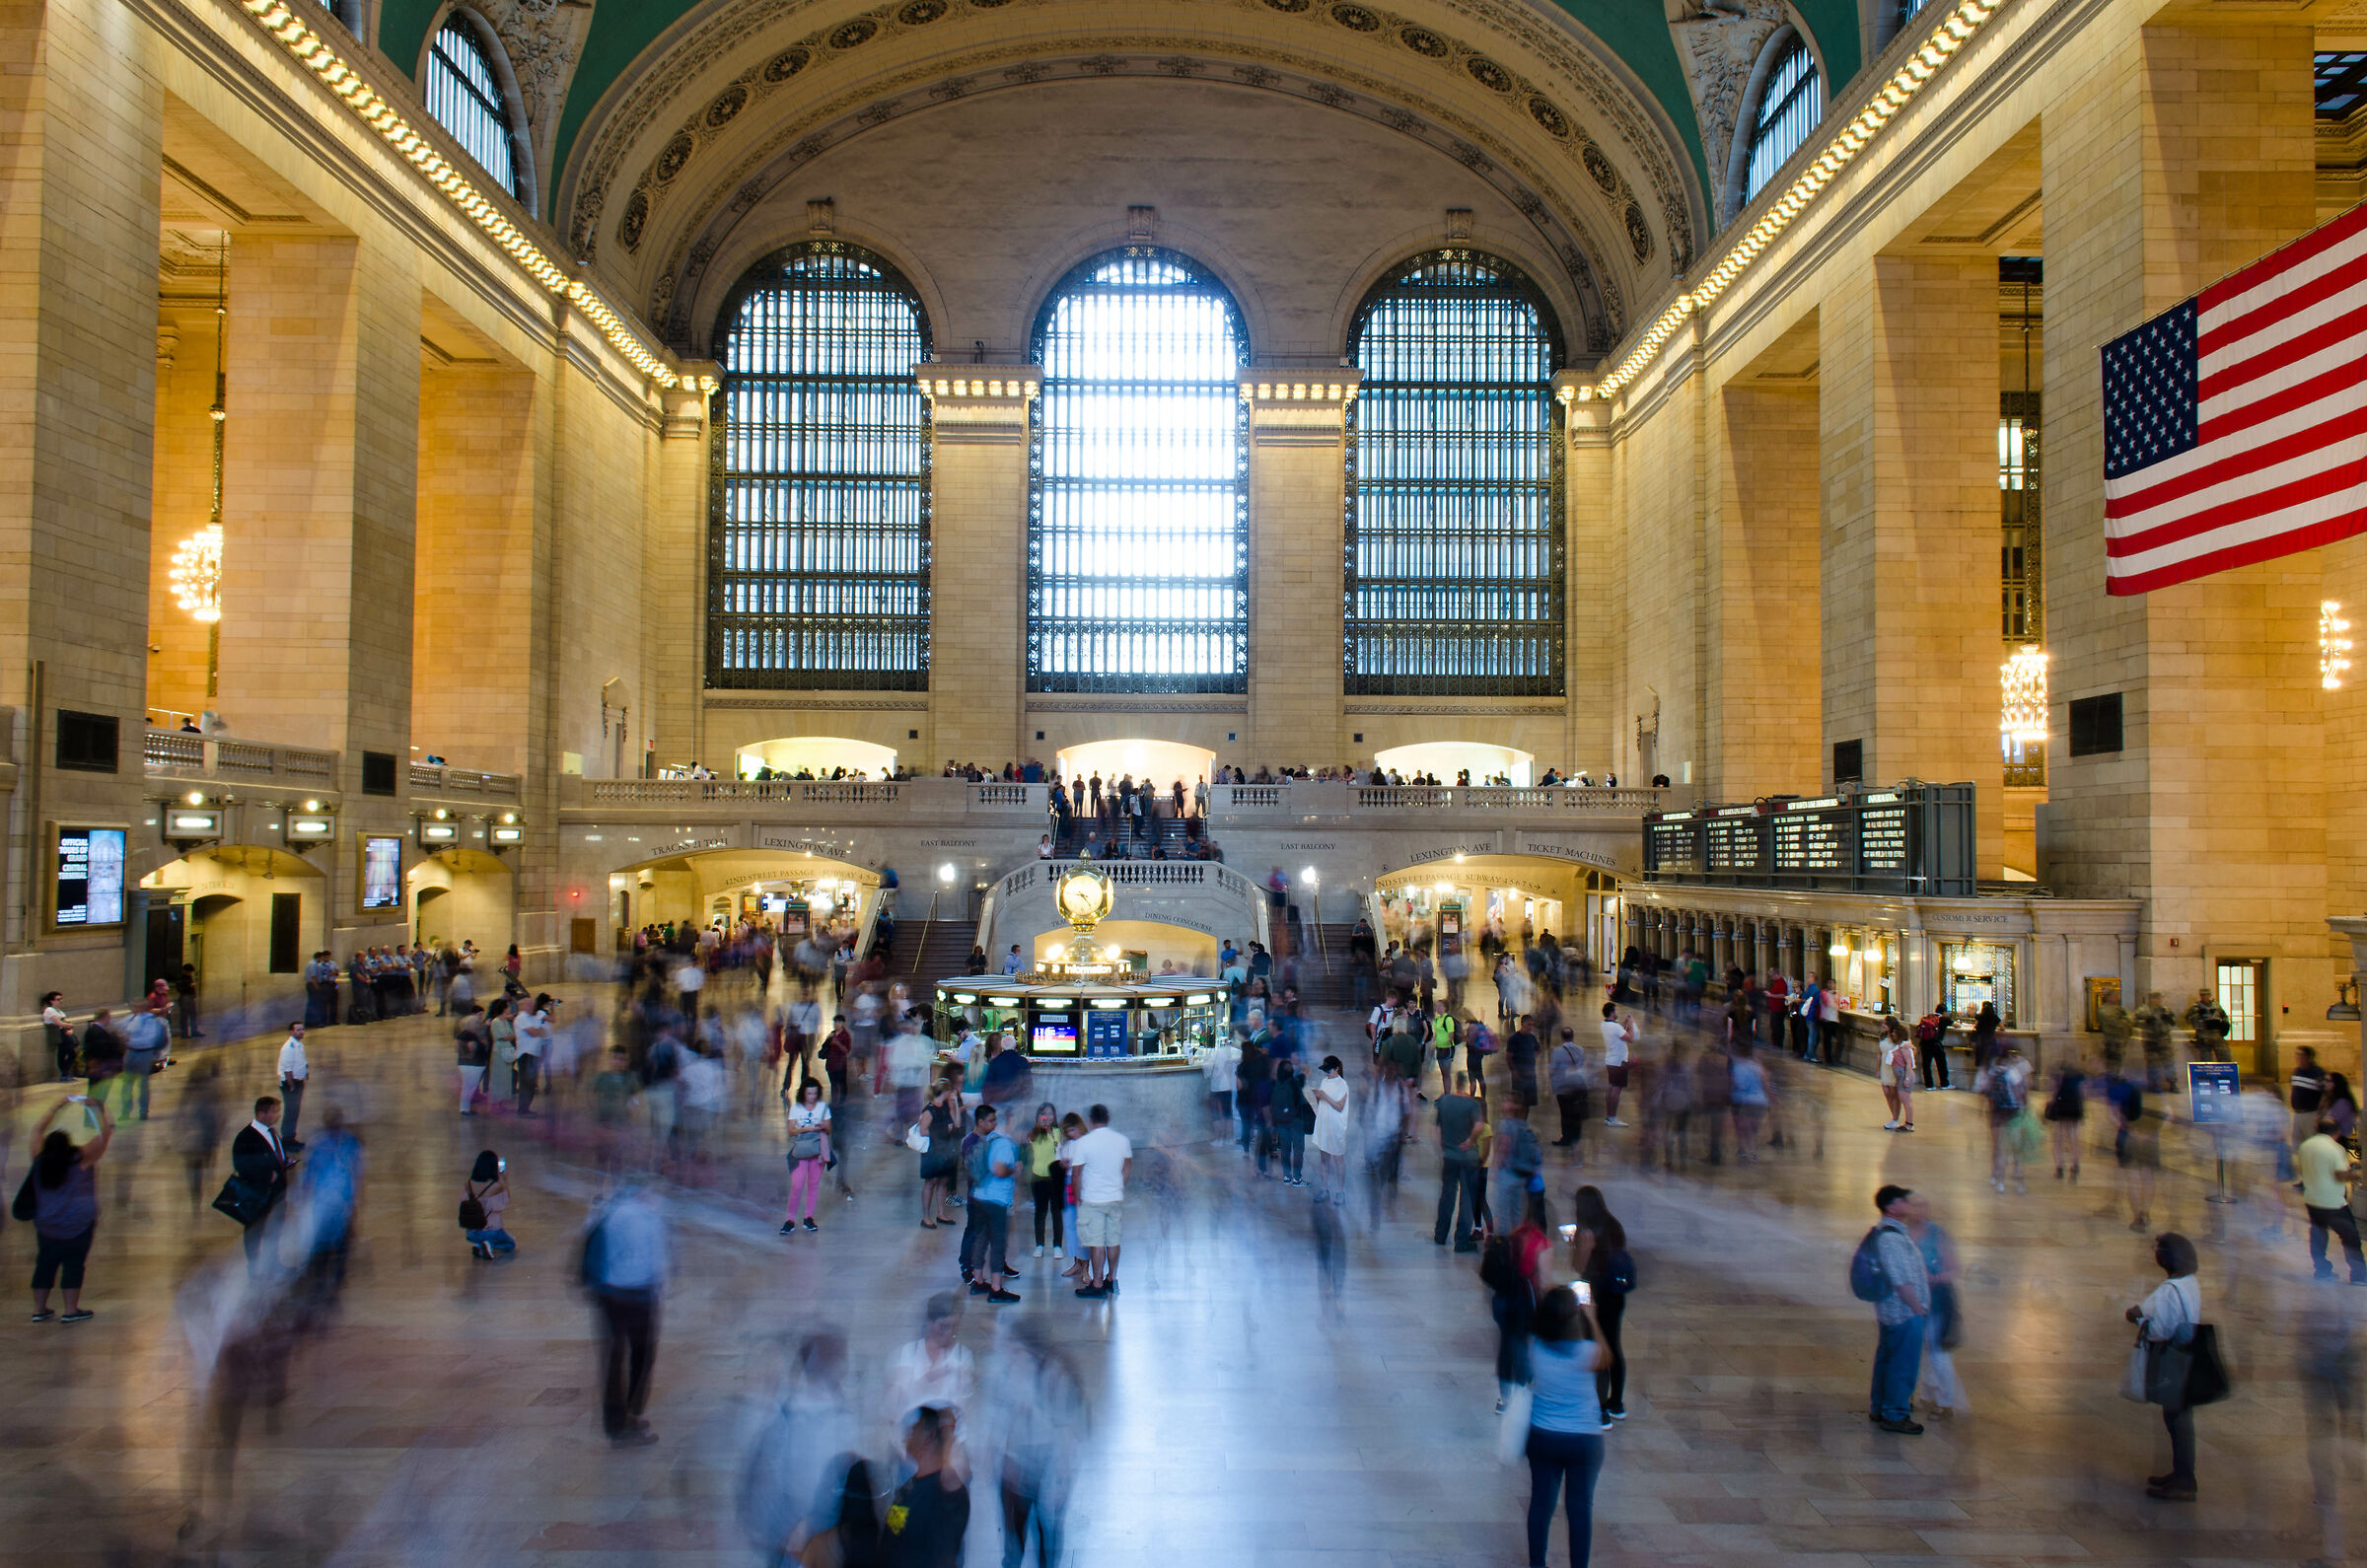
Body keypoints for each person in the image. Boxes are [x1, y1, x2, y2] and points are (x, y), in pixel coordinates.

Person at [1522, 1284, 1609, 1568]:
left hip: (1543, 1436)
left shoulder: (1534, 1347)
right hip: (1584, 1440)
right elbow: (1607, 1358)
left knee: (1541, 1504)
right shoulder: (1586, 1352)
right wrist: (1593, 1319)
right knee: (1580, 1509)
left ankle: (1537, 1563)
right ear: (1574, 1317)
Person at [583, 1179, 670, 1447]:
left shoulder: (606, 1211)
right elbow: (655, 1261)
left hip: (609, 1295)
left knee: (613, 1360)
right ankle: (631, 1417)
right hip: (639, 1296)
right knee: (641, 1357)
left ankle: (616, 1425)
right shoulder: (649, 1215)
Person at [2125, 1232, 2203, 1499]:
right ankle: (2181, 1473)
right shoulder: (2190, 1282)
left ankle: (2184, 1481)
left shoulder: (2169, 1290)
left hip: (2172, 1359)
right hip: (2188, 1354)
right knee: (2180, 1418)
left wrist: (2138, 1321)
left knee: (2176, 1420)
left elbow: (2159, 1330)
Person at [26, 1095, 112, 1322]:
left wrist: (56, 1107)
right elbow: (105, 1134)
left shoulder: (39, 1160)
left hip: (46, 1224)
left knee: (45, 1264)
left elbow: (37, 1130)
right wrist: (99, 1109)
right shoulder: (81, 1159)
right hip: (79, 1224)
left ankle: (39, 1309)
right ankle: (70, 1310)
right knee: (74, 1265)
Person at [1862, 1184, 1930, 1434]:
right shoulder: (1891, 1238)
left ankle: (1881, 1407)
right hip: (1903, 1313)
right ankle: (1895, 1414)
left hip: (1895, 1312)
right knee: (1903, 1364)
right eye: (1902, 1200)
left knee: (1888, 1360)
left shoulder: (1893, 1233)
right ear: (1891, 1207)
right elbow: (1900, 1279)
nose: (1907, 1203)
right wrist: (1917, 1308)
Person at [1567, 1185, 1629, 1421]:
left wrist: (1573, 1245)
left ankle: (1599, 1407)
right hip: (1616, 1294)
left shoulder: (1586, 1231)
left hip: (1595, 1294)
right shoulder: (1614, 1225)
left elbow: (1578, 1266)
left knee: (1596, 1346)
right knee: (1613, 1345)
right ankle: (1617, 1403)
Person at [882, 1403, 968, 1568]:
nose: (908, 1435)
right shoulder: (908, 1487)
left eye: (914, 1429)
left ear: (930, 1436)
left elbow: (951, 1485)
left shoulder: (945, 1492)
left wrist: (947, 1435)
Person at [1906, 1195, 1967, 1417]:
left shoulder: (1938, 1235)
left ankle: (1945, 1401)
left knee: (1938, 1354)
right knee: (1913, 1352)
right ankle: (1918, 1395)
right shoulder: (1902, 1234)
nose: (1918, 1211)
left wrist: (1934, 1278)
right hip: (1909, 1303)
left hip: (1937, 1303)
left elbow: (1955, 1269)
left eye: (1922, 1206)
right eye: (1914, 1206)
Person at [1065, 1104, 1131, 1299]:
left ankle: (1097, 1283)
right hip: (1114, 1197)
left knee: (1096, 1243)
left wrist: (1078, 1197)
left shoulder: (1084, 1143)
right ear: (1108, 1118)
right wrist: (1119, 1185)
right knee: (1113, 1240)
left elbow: (1076, 1174)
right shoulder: (1122, 1140)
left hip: (1092, 1199)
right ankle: (1112, 1278)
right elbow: (1127, 1166)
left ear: (1090, 1121)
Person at [230, 1096, 297, 1278]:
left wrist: (284, 1163)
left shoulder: (272, 1133)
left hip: (277, 1193)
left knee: (275, 1228)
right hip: (258, 1194)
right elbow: (242, 1165)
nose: (278, 1115)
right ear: (261, 1113)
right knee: (256, 1231)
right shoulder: (246, 1138)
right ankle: (254, 1269)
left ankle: (273, 1262)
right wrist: (267, 1175)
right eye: (274, 1112)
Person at [961, 1104, 1021, 1303]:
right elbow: (999, 1170)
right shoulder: (1004, 1143)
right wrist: (1014, 1170)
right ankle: (996, 1288)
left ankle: (978, 1281)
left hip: (979, 1195)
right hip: (996, 1199)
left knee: (981, 1238)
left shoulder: (986, 1139)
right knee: (998, 1243)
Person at [2297, 1117, 2367, 1283]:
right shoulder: (2335, 1148)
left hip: (2312, 1199)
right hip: (2333, 1202)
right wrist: (2357, 1174)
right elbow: (2341, 1175)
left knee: (2318, 1235)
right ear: (2337, 1132)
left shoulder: (2305, 1146)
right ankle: (2359, 1275)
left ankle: (2322, 1271)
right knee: (2350, 1238)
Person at [1435, 1071, 1484, 1250]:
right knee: (1467, 1198)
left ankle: (1440, 1234)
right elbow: (1479, 1125)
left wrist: (1442, 1146)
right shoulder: (1472, 1104)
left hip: (1449, 1155)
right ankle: (1462, 1240)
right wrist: (1470, 1140)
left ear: (1456, 1083)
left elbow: (1437, 1129)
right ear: (1467, 1085)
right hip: (1468, 1157)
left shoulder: (1444, 1101)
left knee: (1447, 1195)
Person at [782, 1079, 831, 1236]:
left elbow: (829, 1129)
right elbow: (791, 1131)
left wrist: (822, 1126)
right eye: (809, 1093)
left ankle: (808, 1217)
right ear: (803, 1093)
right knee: (797, 1185)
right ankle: (790, 1219)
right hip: (801, 1151)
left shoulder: (823, 1107)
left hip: (817, 1151)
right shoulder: (796, 1108)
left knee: (813, 1184)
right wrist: (805, 1129)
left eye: (814, 1093)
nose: (812, 1097)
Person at [917, 1079, 961, 1229]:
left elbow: (957, 1124)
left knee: (943, 1181)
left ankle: (941, 1213)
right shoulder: (929, 1110)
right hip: (933, 1150)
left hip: (946, 1149)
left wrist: (955, 1106)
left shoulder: (946, 1107)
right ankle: (926, 1217)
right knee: (931, 1182)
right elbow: (923, 1131)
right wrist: (942, 1130)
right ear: (945, 1091)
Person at [1026, 1102, 1065, 1258]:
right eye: (1044, 1114)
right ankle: (1039, 1245)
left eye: (1050, 1113)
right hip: (1038, 1176)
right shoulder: (1035, 1132)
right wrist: (1040, 1125)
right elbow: (1031, 1137)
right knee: (1040, 1211)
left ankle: (1057, 1246)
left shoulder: (1058, 1132)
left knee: (1057, 1212)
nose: (1047, 1117)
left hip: (1056, 1177)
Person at [1310, 1055, 1350, 1204]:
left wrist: (1324, 1096)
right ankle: (1324, 1189)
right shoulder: (1324, 1081)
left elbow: (1340, 1106)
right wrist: (1318, 1096)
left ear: (1337, 1069)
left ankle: (1340, 1191)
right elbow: (1320, 1103)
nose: (1326, 1073)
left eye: (1329, 1070)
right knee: (1324, 1159)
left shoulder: (1342, 1084)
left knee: (1338, 1159)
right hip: (1324, 1125)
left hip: (1336, 1127)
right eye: (1325, 1071)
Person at [462, 1149, 515, 1258]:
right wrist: (505, 1179)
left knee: (480, 1236)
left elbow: (462, 1201)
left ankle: (478, 1244)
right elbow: (504, 1202)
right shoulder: (496, 1187)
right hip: (491, 1230)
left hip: (471, 1231)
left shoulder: (468, 1184)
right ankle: (488, 1245)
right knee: (510, 1244)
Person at [2044, 1058, 2087, 1181]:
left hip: (2062, 1107)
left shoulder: (2057, 1075)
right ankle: (2075, 1164)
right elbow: (2083, 1093)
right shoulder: (2079, 1076)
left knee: (2058, 1137)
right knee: (2074, 1136)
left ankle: (2059, 1167)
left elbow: (2053, 1093)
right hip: (2075, 1108)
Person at [1597, 1004, 1633, 1127]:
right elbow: (1631, 1038)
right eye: (1616, 1010)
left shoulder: (1604, 1024)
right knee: (1616, 1089)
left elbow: (1618, 1030)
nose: (1617, 1012)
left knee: (1611, 1087)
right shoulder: (1615, 1027)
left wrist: (1625, 1023)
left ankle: (1609, 1117)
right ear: (1612, 1012)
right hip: (1619, 1061)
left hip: (1610, 1060)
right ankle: (1612, 1118)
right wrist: (1631, 1025)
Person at [454, 1003, 491, 1114]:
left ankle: (465, 1108)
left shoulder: (461, 1035)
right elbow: (472, 1048)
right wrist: (482, 1046)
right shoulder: (471, 1035)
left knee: (467, 1087)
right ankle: (465, 1109)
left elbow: (456, 1047)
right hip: (473, 1065)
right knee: (470, 1087)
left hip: (465, 1064)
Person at [276, 1022, 310, 1144]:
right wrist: (291, 1086)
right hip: (291, 1083)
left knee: (294, 1111)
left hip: (297, 1082)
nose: (301, 1032)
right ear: (291, 1032)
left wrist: (306, 1073)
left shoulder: (298, 1045)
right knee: (291, 1112)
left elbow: (302, 1061)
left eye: (302, 1029)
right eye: (298, 1030)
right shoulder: (288, 1048)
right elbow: (287, 1069)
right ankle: (288, 1140)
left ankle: (291, 1137)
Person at [41, 993, 72, 1082]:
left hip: (63, 1033)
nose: (60, 1001)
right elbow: (60, 1023)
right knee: (64, 1054)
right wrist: (69, 1025)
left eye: (61, 999)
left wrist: (70, 1028)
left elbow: (66, 1022)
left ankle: (65, 1073)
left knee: (69, 1053)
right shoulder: (49, 1010)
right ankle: (64, 1074)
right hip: (58, 1034)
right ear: (52, 1001)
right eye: (58, 999)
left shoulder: (59, 1011)